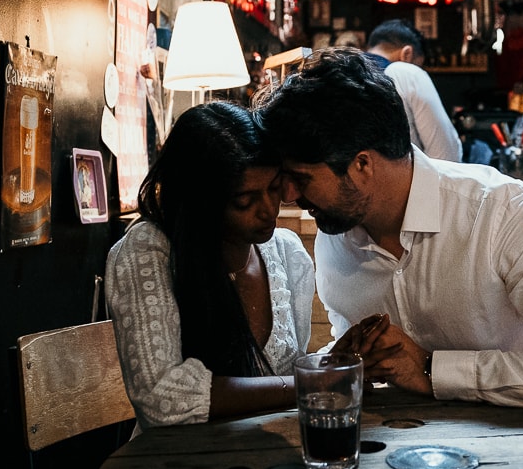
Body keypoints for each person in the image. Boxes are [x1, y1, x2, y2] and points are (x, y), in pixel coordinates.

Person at [253, 47, 523, 410]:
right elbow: (356, 351)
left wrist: (431, 369)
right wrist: (340, 360)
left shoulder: (502, 213)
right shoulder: (336, 232)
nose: (287, 195)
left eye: (300, 178)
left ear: (362, 164)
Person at [105, 101, 384, 431]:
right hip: (178, 466)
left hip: (263, 454)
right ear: (199, 203)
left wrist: (333, 363)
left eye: (273, 188)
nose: (269, 210)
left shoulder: (287, 254)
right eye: (244, 200)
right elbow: (162, 398)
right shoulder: (148, 252)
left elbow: (274, 382)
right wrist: (310, 383)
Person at [366, 19, 463, 163]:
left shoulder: (340, 77)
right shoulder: (404, 72)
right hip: (398, 183)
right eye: (418, 65)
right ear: (407, 54)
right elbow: (446, 157)